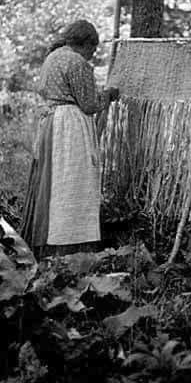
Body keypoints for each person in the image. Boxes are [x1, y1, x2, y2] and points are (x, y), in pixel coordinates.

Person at [21, 20, 119, 258]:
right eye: (92, 49)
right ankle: (70, 245)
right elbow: (89, 104)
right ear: (85, 43)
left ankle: (49, 242)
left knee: (54, 181)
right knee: (72, 182)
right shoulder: (76, 62)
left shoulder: (53, 56)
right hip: (69, 128)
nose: (92, 54)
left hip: (51, 123)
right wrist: (109, 95)